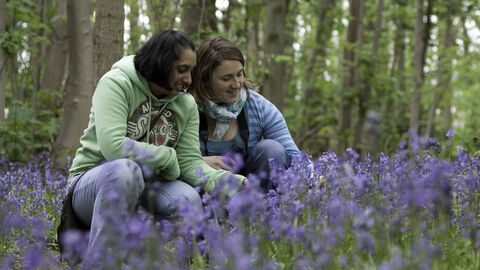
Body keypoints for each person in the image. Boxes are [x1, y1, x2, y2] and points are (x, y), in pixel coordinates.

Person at [60, 30, 245, 269]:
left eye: (191, 70)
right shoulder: (117, 83)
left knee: (188, 200)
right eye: (182, 70)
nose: (189, 79)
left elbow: (190, 163)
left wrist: (231, 183)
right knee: (126, 170)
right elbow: (113, 146)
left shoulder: (185, 103)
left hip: (149, 188)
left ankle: (137, 259)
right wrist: (167, 156)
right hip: (93, 185)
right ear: (160, 64)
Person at [189, 36, 302, 192]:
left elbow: (293, 156)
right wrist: (199, 162)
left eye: (239, 74)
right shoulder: (188, 108)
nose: (236, 84)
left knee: (272, 149)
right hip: (205, 190)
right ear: (205, 80)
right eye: (226, 78)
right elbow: (172, 161)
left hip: (250, 190)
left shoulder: (258, 106)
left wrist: (313, 177)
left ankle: (262, 212)